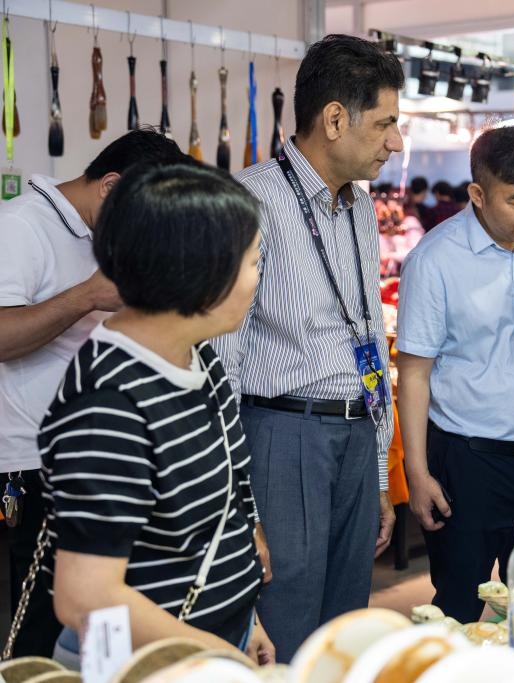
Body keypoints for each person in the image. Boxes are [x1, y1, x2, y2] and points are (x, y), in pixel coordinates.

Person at [211, 34, 403, 662]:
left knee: (346, 627)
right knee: (286, 620)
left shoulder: (361, 208)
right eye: (385, 124)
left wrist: (379, 472)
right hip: (282, 435)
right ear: (335, 119)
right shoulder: (251, 200)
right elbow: (222, 362)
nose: (395, 142)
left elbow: (367, 335)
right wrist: (239, 505)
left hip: (356, 435)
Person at [38, 163, 273, 664]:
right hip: (154, 662)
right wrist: (215, 653)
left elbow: (225, 499)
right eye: (254, 262)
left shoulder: (196, 354)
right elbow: (85, 597)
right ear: (200, 273)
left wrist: (245, 620)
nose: (259, 279)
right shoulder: (109, 406)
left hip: (215, 641)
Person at [0, 128, 189, 657]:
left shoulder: (101, 235)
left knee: (94, 622)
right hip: (36, 463)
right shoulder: (22, 225)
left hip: (99, 454)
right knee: (39, 627)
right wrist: (86, 296)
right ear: (110, 186)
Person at [397, 125, 514, 622]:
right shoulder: (434, 260)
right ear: (477, 194)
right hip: (466, 463)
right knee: (458, 606)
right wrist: (417, 473)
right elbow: (414, 374)